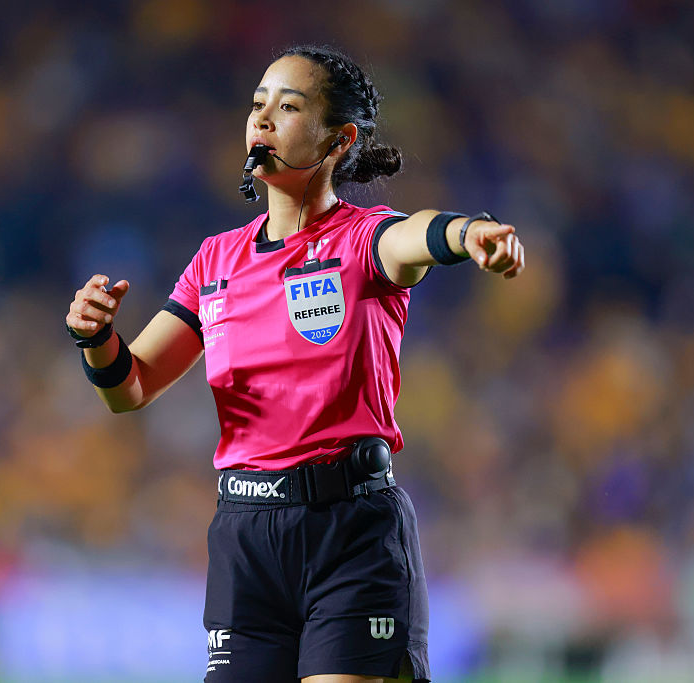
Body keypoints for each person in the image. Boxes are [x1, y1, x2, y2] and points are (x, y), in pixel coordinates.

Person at [66, 45, 525, 683]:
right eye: (257, 105)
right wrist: (96, 339)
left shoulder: (364, 240)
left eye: (288, 106)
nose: (262, 119)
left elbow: (416, 233)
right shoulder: (214, 262)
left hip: (351, 533)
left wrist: (470, 233)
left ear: (340, 141)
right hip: (246, 539)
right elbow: (131, 387)